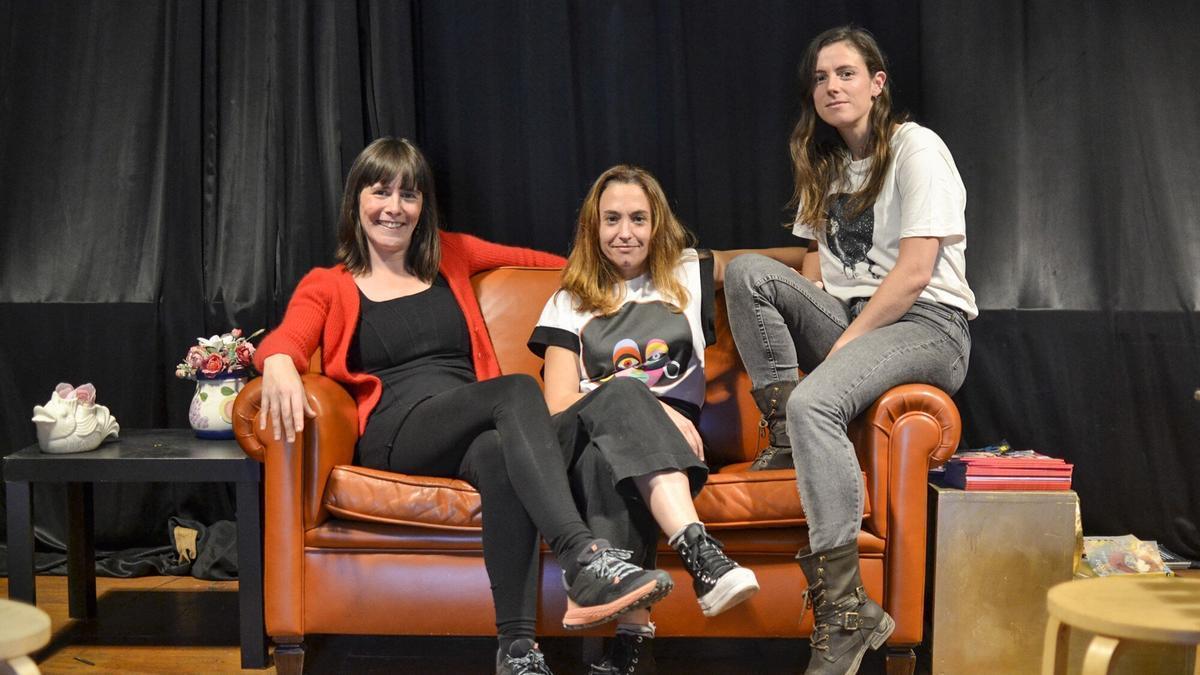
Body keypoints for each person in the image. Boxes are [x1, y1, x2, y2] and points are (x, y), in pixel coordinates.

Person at [254, 138, 674, 675]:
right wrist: (282, 363)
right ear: (356, 200)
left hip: (467, 421)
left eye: (409, 195)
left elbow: (546, 266)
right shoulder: (331, 284)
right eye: (380, 191)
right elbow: (286, 338)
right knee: (519, 390)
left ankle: (517, 650)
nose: (394, 207)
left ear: (423, 206)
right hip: (397, 431)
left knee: (501, 455)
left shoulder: (451, 254)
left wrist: (627, 277)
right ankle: (582, 557)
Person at [722, 27, 977, 675]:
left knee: (818, 399)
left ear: (876, 82)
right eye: (820, 78)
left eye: (845, 73)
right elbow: (818, 264)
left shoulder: (917, 148)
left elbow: (917, 269)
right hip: (854, 314)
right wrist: (816, 320)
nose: (831, 86)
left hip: (930, 324)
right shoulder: (828, 163)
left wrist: (840, 349)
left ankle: (845, 609)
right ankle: (783, 431)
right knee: (749, 272)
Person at [530, 165, 806, 673]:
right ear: (593, 227)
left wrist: (848, 273)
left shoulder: (685, 273)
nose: (625, 232)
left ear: (657, 224)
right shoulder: (568, 301)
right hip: (585, 425)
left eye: (638, 218)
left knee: (614, 463)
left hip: (652, 447)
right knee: (622, 399)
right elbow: (559, 404)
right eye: (611, 219)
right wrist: (649, 403)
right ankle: (700, 552)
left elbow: (794, 262)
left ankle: (631, 646)